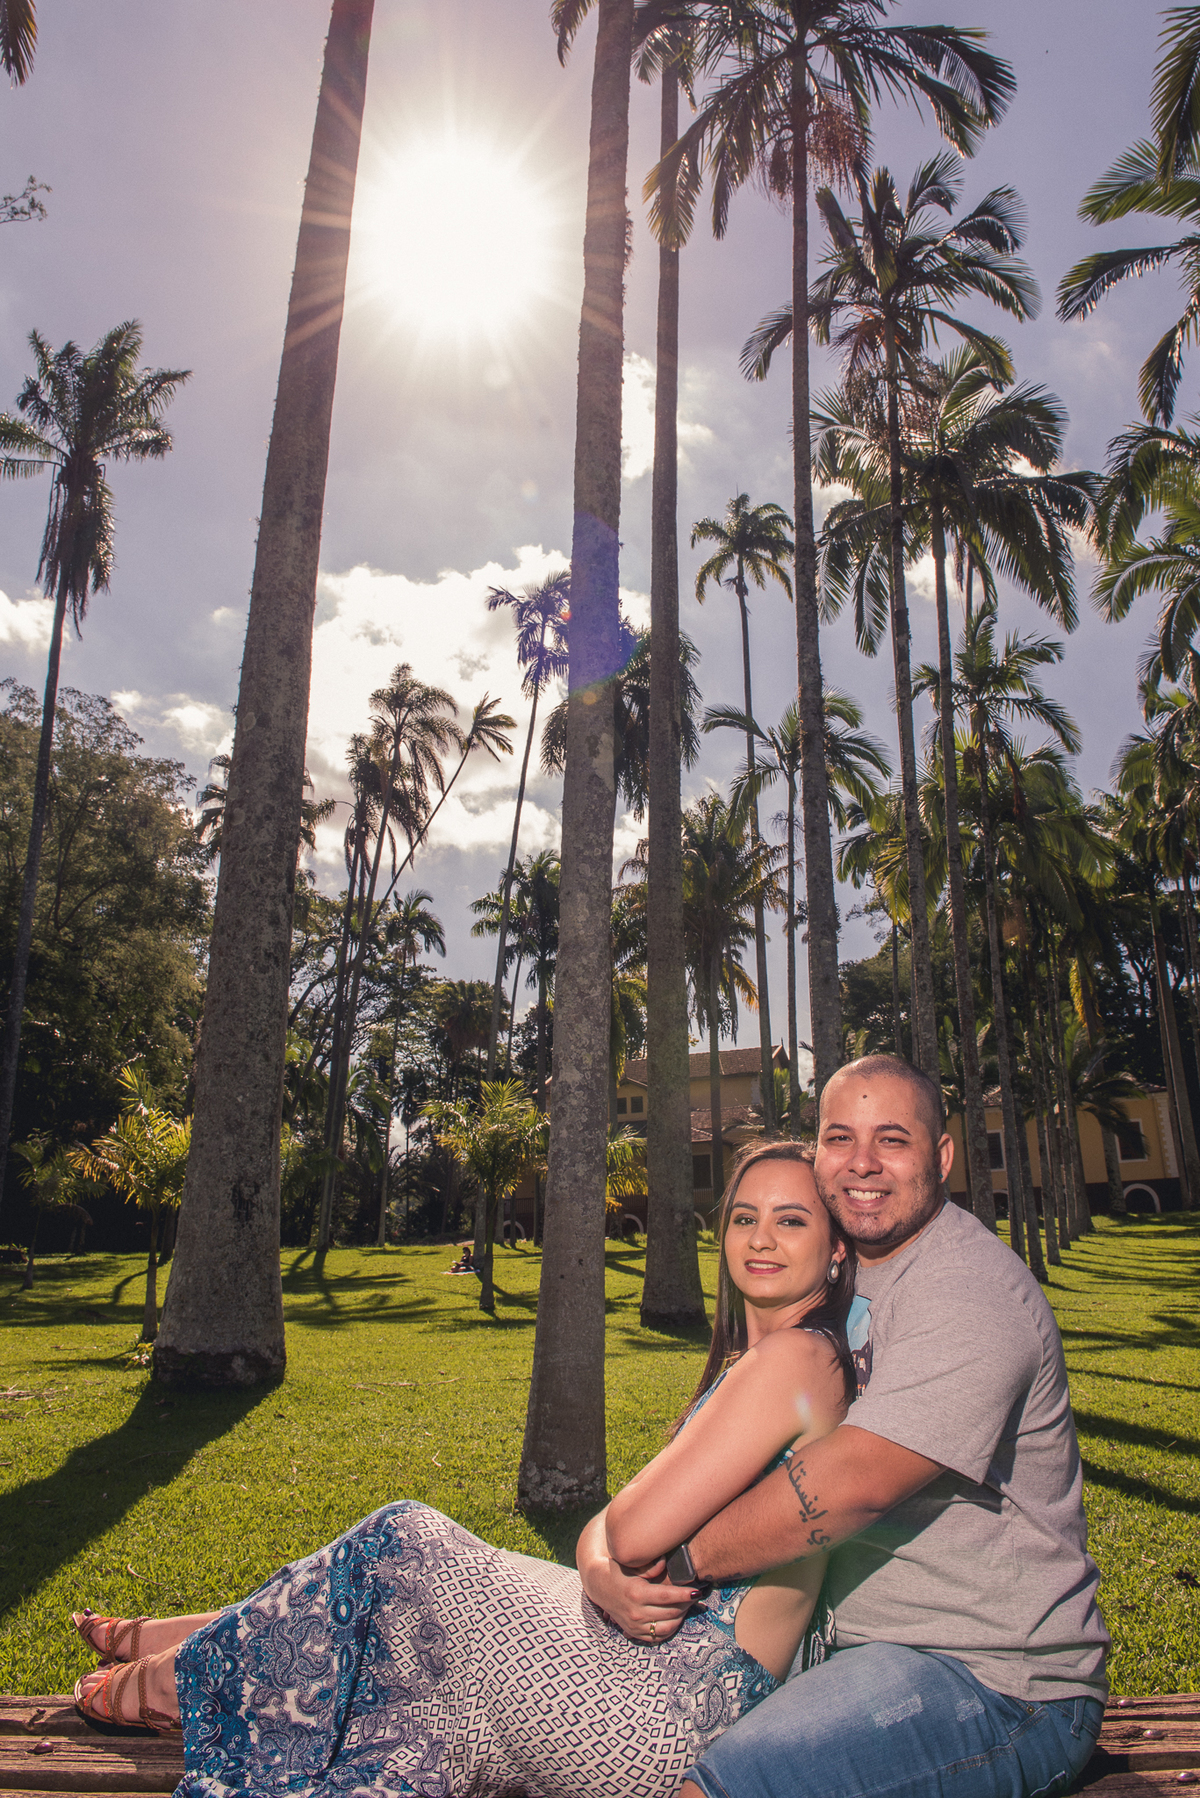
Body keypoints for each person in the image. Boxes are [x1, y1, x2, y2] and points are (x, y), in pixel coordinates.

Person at [71, 1143, 854, 1798]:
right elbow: (611, 1532)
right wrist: (596, 1570)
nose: (760, 1237)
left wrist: (607, 1558)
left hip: (662, 1706)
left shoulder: (797, 1356)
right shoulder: (775, 1362)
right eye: (745, 1217)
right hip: (662, 1686)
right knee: (417, 1653)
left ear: (838, 1246)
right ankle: (199, 1641)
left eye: (792, 1220)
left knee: (404, 1538)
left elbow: (634, 1527)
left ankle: (186, 1676)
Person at [579, 1053, 1110, 1798]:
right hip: (850, 1656)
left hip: (990, 1680)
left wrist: (674, 1564)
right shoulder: (839, 1282)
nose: (863, 1163)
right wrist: (602, 1564)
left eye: (892, 1139)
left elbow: (851, 1485)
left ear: (943, 1156)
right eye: (839, 1137)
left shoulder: (967, 1293)